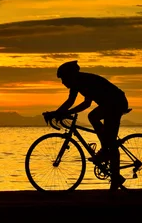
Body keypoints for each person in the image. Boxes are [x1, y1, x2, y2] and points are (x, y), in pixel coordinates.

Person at [53, 60, 129, 191]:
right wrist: (57, 113)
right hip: (109, 104)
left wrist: (64, 113)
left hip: (116, 102)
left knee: (109, 141)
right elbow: (70, 101)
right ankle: (106, 150)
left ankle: (114, 174)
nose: (62, 82)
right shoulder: (76, 83)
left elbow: (86, 104)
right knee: (95, 120)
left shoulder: (83, 81)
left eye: (63, 78)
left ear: (70, 76)